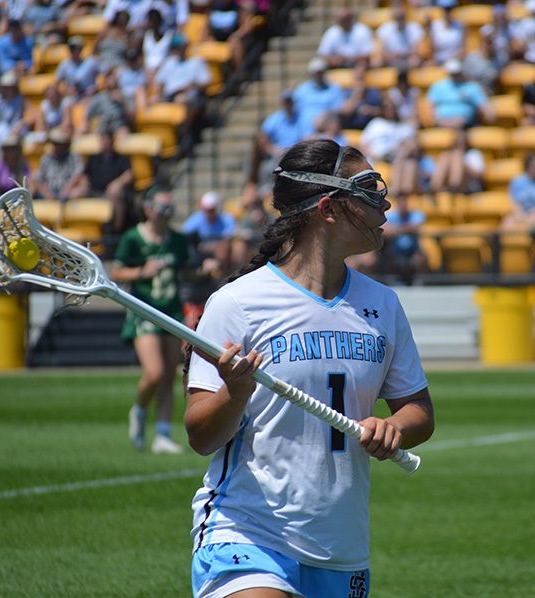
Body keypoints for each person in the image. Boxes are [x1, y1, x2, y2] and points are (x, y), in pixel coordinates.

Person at [185, 139, 435, 598]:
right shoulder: (237, 303)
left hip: (340, 545)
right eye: (368, 191)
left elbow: (418, 409)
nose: (385, 205)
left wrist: (394, 427)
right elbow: (201, 436)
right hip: (247, 532)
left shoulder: (383, 304)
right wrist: (234, 393)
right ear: (328, 209)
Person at [112, 190, 189, 455]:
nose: (166, 214)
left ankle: (163, 434)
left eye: (170, 208)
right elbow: (116, 270)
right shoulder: (133, 237)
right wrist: (140, 272)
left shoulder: (176, 239)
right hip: (144, 311)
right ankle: (140, 410)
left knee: (169, 375)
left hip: (171, 311)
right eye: (161, 208)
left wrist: (207, 266)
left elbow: (189, 266)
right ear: (148, 209)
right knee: (154, 372)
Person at [70, 128, 135, 233]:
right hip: (94, 190)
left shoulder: (121, 158)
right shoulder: (93, 157)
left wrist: (117, 183)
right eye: (103, 140)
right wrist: (84, 184)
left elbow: (129, 174)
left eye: (107, 140)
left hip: (110, 192)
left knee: (116, 194)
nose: (105, 142)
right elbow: (85, 175)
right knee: (75, 193)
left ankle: (116, 230)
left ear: (112, 141)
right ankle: (75, 228)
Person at [182, 191, 236, 279]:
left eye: (211, 210)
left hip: (222, 255)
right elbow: (186, 235)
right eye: (207, 210)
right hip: (201, 253)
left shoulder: (226, 219)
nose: (209, 213)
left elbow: (229, 239)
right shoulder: (196, 219)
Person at [426, 59, 494, 129]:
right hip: (442, 122)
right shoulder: (438, 86)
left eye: (457, 73)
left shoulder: (471, 87)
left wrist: (488, 113)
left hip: (465, 124)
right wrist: (435, 119)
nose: (455, 76)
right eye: (452, 74)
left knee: (459, 126)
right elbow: (431, 105)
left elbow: (483, 104)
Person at [383, 194, 428, 285]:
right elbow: (385, 231)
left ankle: (420, 282)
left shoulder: (416, 214)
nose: (403, 205)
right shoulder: (391, 215)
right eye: (401, 202)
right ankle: (390, 281)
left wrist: (396, 229)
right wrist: (406, 229)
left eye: (405, 202)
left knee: (420, 259)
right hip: (395, 250)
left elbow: (416, 227)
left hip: (413, 250)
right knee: (387, 257)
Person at [502, 153, 535, 228]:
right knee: (507, 222)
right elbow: (515, 203)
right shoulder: (517, 181)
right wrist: (522, 217)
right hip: (521, 214)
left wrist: (533, 216)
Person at [34, 129, 84, 201]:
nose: (57, 147)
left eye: (59, 144)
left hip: (68, 193)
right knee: (33, 180)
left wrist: (67, 190)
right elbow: (39, 179)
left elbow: (79, 174)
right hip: (50, 193)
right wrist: (47, 193)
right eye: (55, 144)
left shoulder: (74, 157)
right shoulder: (46, 158)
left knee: (83, 184)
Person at [375, 6, 426, 70]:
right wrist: (390, 56)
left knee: (415, 61)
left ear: (405, 17)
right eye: (397, 18)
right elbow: (381, 51)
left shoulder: (415, 28)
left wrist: (401, 55)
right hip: (390, 60)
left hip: (408, 59)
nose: (399, 20)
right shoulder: (384, 29)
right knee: (377, 62)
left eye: (401, 17)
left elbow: (418, 51)